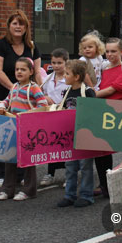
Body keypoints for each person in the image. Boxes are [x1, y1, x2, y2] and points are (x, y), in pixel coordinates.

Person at [0, 10, 42, 187]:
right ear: (9, 26)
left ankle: (20, 174)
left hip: (26, 99)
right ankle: (2, 175)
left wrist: (41, 93)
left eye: (22, 24)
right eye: (15, 23)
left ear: (26, 27)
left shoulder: (32, 47)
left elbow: (37, 74)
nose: (18, 27)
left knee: (23, 136)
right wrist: (14, 89)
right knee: (4, 135)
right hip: (3, 94)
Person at [0, 57, 47, 201]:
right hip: (13, 126)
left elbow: (42, 105)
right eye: (17, 69)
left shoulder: (34, 88)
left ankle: (29, 190)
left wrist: (27, 115)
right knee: (10, 158)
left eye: (23, 69)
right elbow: (8, 100)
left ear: (31, 72)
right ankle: (8, 189)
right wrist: (2, 105)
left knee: (28, 160)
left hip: (28, 128)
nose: (19, 72)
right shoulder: (14, 87)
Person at [93, 37, 122, 198]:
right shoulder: (105, 68)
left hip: (118, 114)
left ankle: (111, 185)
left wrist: (91, 95)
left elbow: (111, 90)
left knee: (112, 149)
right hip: (104, 112)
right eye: (107, 51)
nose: (109, 55)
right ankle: (104, 184)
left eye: (113, 51)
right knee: (100, 150)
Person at [57, 59, 97, 208]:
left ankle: (87, 195)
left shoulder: (87, 91)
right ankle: (70, 195)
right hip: (70, 135)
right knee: (70, 166)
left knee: (85, 167)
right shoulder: (67, 91)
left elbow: (95, 111)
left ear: (77, 77)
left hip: (85, 135)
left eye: (67, 73)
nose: (64, 76)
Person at [40, 48, 70, 187]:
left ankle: (68, 175)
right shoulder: (47, 78)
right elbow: (41, 94)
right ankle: (50, 173)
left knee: (66, 146)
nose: (56, 66)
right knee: (52, 146)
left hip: (65, 116)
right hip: (51, 116)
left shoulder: (69, 79)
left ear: (66, 62)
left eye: (59, 63)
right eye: (54, 62)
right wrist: (45, 98)